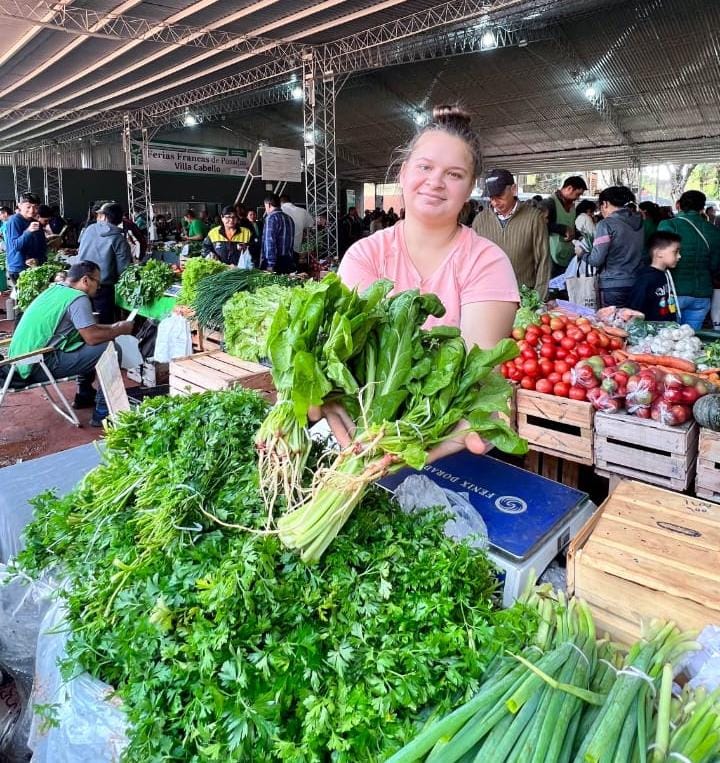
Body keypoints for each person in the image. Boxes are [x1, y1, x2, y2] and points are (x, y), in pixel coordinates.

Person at [338, 104, 519, 461]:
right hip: (361, 440)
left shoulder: (487, 262)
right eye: (425, 167)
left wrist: (409, 453)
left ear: (469, 189)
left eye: (454, 174)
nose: (435, 182)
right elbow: (344, 359)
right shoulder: (365, 256)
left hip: (449, 449)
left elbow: (474, 377)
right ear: (404, 174)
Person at [6, 260, 134, 427]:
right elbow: (92, 337)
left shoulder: (55, 290)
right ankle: (104, 412)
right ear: (85, 280)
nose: (98, 288)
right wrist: (119, 328)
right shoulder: (78, 298)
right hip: (36, 365)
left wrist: (112, 327)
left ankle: (84, 395)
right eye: (98, 283)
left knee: (87, 343)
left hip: (20, 361)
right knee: (110, 348)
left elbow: (86, 331)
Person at [472, 168, 550, 298]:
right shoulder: (480, 220)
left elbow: (543, 260)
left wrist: (539, 299)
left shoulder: (534, 218)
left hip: (524, 297)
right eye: (491, 198)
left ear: (513, 189)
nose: (495, 202)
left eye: (500, 196)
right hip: (488, 296)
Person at [657, 190, 720, 331]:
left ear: (678, 204)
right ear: (702, 208)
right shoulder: (713, 231)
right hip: (702, 294)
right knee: (689, 342)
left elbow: (659, 258)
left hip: (674, 292)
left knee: (669, 340)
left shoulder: (669, 225)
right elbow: (716, 266)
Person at [581, 186, 644, 308]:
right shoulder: (640, 222)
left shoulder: (606, 224)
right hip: (636, 281)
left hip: (613, 284)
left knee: (611, 324)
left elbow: (596, 260)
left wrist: (582, 254)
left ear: (605, 204)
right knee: (633, 323)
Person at [77, 202, 132, 323]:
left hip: (80, 283)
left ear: (104, 216)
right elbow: (124, 269)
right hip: (102, 288)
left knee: (84, 322)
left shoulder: (89, 229)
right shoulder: (119, 239)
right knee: (103, 324)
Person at [627, 231, 682, 321]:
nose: (679, 256)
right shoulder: (645, 279)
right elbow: (635, 309)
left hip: (667, 329)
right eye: (675, 252)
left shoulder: (666, 274)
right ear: (659, 253)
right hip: (652, 331)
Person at [542, 176, 588, 275]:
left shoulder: (571, 206)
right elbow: (540, 226)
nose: (578, 198)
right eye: (577, 194)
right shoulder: (549, 203)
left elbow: (571, 225)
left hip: (567, 254)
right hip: (550, 257)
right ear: (569, 188)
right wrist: (563, 229)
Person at [5, 192, 46, 285]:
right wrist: (28, 231)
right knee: (24, 297)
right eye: (28, 207)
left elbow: (41, 245)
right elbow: (15, 246)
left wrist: (38, 259)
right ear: (19, 205)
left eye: (35, 207)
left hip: (33, 266)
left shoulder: (35, 222)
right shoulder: (14, 220)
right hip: (19, 268)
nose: (32, 210)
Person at [261, 194, 295, 273]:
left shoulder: (271, 218)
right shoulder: (289, 218)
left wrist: (270, 264)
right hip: (288, 260)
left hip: (276, 262)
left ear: (269, 205)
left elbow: (270, 242)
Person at [280, 194, 313, 260]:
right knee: (294, 268)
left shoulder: (280, 210)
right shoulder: (303, 211)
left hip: (282, 249)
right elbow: (311, 225)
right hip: (296, 249)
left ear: (280, 202)